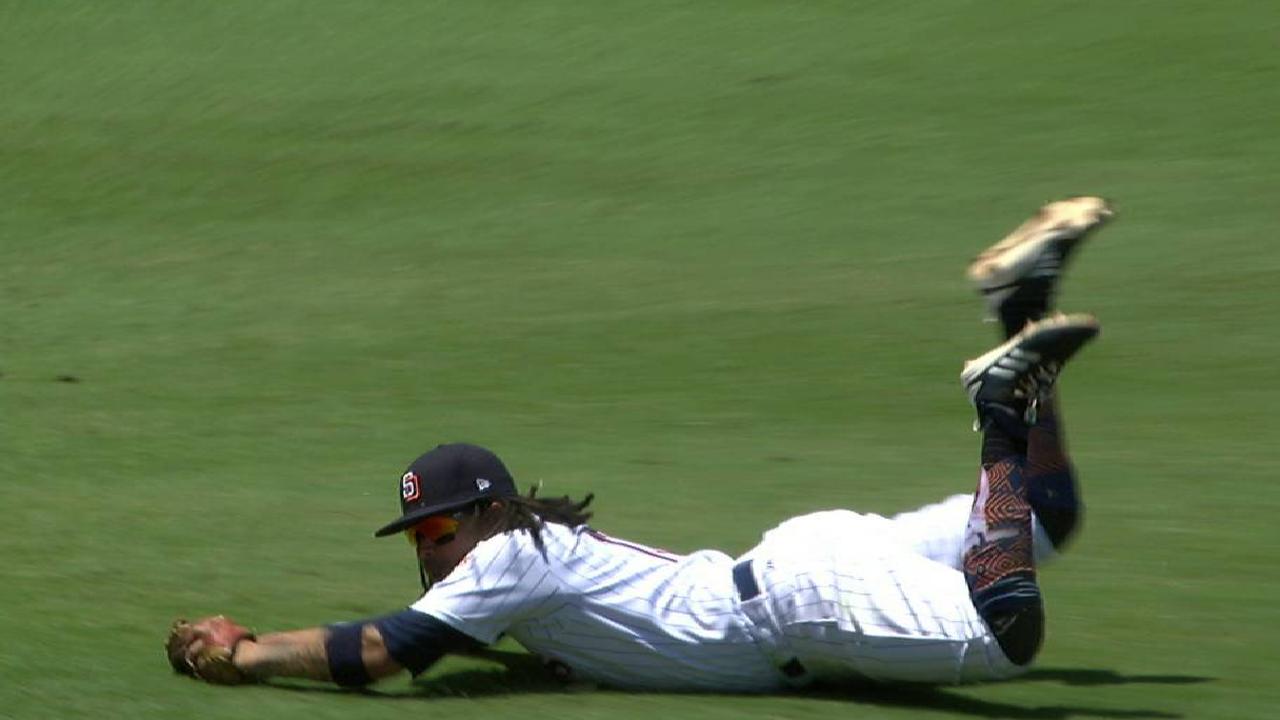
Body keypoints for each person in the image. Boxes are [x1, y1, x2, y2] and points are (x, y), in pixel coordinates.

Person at [166, 196, 1114, 692]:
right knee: (1047, 514)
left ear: (490, 515)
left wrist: (246, 654)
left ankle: (1001, 406)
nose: (431, 549)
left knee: (1009, 635)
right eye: (419, 535)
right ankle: (1019, 303)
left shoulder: (504, 559)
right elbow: (442, 634)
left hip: (805, 607)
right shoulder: (515, 570)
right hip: (804, 569)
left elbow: (380, 651)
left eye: (439, 529)